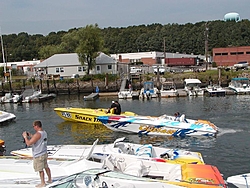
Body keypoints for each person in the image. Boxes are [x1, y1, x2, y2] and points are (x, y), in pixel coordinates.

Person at [22, 120, 52, 188]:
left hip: (39, 154)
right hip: (44, 153)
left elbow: (29, 143)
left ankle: (43, 183)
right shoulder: (44, 132)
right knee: (46, 167)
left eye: (33, 126)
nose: (33, 128)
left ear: (36, 126)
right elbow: (37, 138)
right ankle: (50, 179)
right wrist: (30, 135)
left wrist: (25, 137)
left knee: (40, 169)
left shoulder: (38, 134)